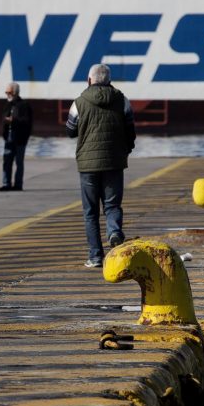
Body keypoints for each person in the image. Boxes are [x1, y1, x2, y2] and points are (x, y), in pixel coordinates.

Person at [66, 63, 136, 268]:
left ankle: (95, 256)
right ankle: (114, 232)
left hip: (88, 165)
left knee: (90, 212)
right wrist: (126, 149)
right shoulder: (122, 100)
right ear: (109, 81)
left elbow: (70, 131)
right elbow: (131, 131)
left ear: (89, 80)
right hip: (114, 161)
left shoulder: (79, 102)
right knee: (112, 205)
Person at [0, 82, 33, 191]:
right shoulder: (7, 104)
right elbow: (3, 118)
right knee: (7, 161)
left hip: (20, 137)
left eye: (9, 92)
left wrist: (14, 120)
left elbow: (27, 121)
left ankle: (18, 185)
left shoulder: (24, 105)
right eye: (6, 92)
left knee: (19, 162)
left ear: (15, 92)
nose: (7, 94)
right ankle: (6, 184)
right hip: (8, 136)